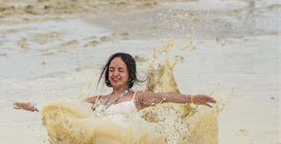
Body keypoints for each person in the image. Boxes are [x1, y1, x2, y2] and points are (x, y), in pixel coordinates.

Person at [14, 52, 216, 116]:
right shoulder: (98, 100)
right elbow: (66, 107)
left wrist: (191, 98)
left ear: (130, 74)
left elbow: (167, 97)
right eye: (112, 70)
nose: (115, 74)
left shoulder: (139, 98)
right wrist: (33, 106)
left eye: (120, 70)